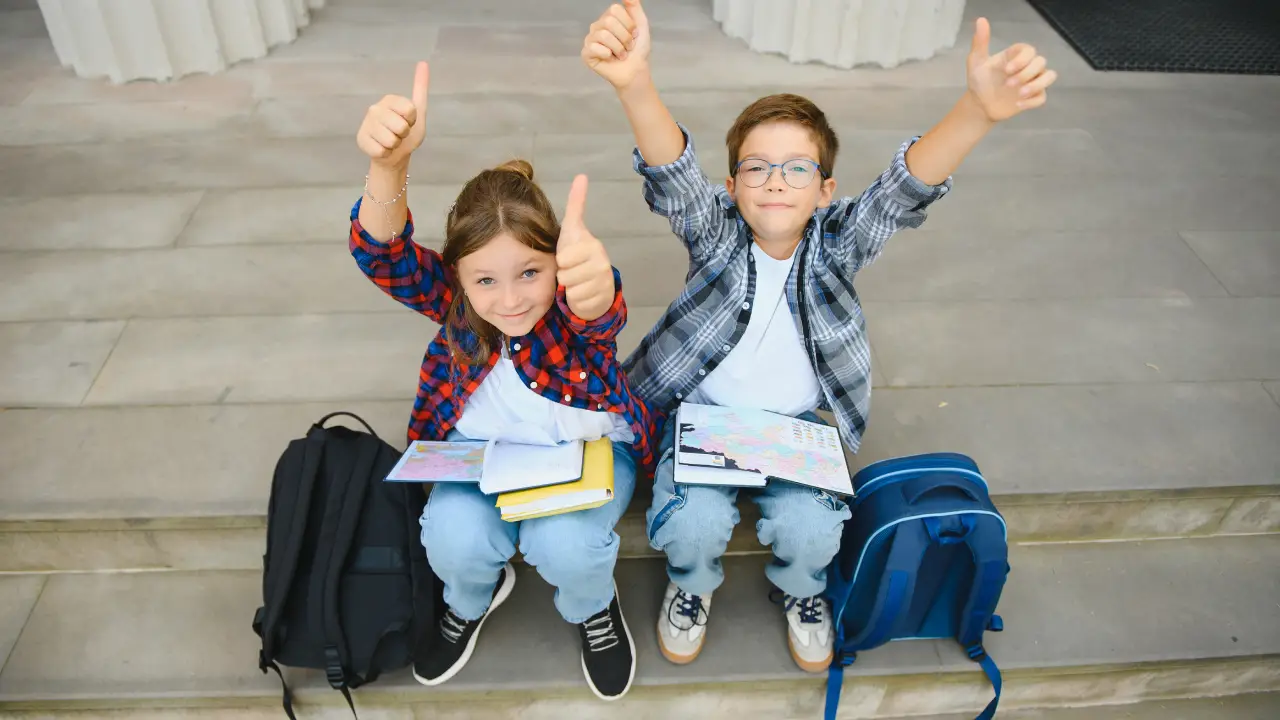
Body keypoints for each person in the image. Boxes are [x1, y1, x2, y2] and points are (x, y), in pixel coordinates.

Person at [581, 0, 1057, 673]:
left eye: (797, 168)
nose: (776, 179)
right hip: (707, 419)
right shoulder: (717, 235)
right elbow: (673, 175)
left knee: (812, 530)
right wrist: (634, 84)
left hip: (796, 429)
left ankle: (802, 594)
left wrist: (976, 112)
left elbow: (903, 190)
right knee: (691, 524)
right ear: (732, 186)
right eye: (757, 167)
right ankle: (691, 586)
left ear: (826, 189)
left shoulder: (837, 246)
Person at [348, 61, 658, 701]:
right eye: (485, 280)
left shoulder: (573, 308)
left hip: (583, 454)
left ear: (555, 264)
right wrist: (389, 166)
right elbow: (381, 254)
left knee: (568, 543)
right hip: (481, 458)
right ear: (457, 277)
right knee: (453, 538)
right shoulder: (456, 304)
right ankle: (473, 594)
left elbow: (601, 312)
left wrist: (595, 286)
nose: (512, 300)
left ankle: (592, 608)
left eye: (530, 273)